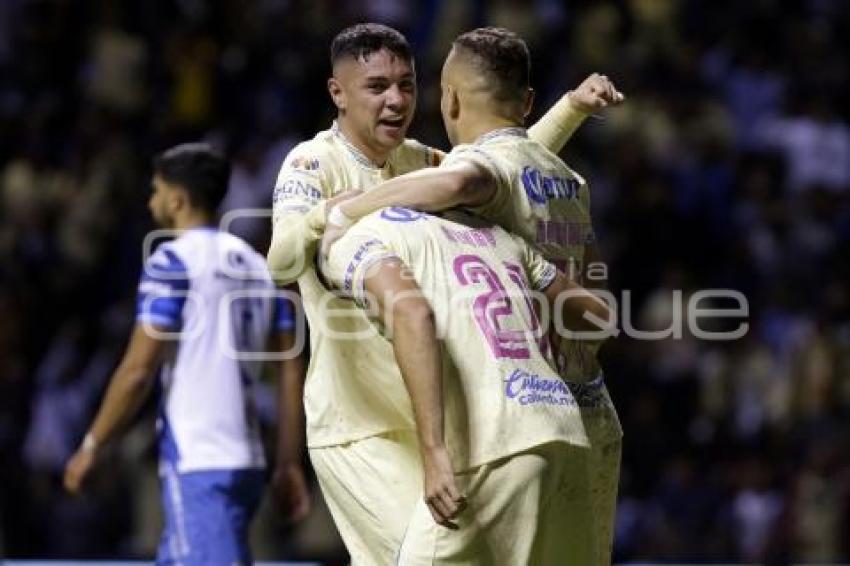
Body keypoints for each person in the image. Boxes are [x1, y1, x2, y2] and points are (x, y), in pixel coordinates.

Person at [266, 22, 623, 563]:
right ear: (337, 93)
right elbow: (281, 258)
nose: (396, 100)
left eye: (407, 85)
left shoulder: (416, 159)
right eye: (377, 87)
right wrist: (328, 214)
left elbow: (500, 162)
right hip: (360, 425)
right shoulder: (311, 163)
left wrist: (569, 111)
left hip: (425, 413)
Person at [320, 206, 612, 563]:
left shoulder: (363, 236)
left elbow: (413, 314)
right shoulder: (502, 236)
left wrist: (433, 450)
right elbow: (600, 318)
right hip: (563, 430)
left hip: (492, 446)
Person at [63, 143, 301, 564]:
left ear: (176, 199)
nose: (150, 200)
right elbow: (289, 373)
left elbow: (137, 370)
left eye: (155, 190)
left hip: (200, 460)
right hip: (248, 460)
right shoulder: (259, 266)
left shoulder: (172, 262)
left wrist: (92, 444)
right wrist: (287, 461)